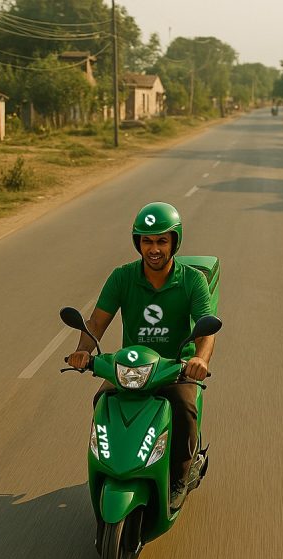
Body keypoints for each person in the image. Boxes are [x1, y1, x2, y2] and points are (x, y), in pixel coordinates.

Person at [67, 202, 216, 510]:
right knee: (103, 402)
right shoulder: (122, 277)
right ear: (138, 243)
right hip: (132, 368)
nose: (154, 248)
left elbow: (206, 330)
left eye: (162, 240)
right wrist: (83, 351)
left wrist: (200, 359)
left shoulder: (192, 281)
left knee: (184, 408)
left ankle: (180, 476)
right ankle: (113, 464)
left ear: (175, 242)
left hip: (174, 368)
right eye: (147, 241)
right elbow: (97, 321)